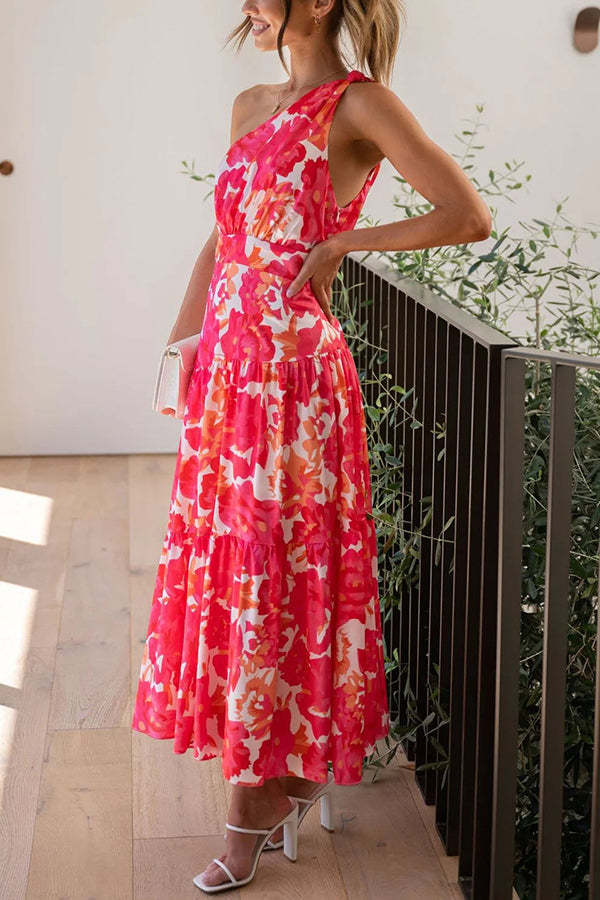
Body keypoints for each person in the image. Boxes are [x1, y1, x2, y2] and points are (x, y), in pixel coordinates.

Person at [131, 0, 492, 893]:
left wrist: (342, 243)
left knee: (275, 574)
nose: (246, 7)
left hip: (296, 384)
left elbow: (465, 213)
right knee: (236, 574)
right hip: (229, 378)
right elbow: (224, 238)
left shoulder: (360, 105)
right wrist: (181, 347)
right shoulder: (250, 105)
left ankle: (255, 804)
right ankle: (282, 778)